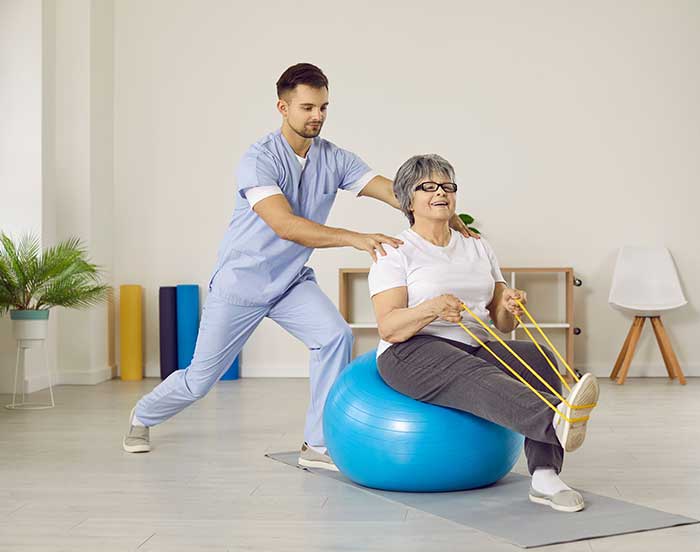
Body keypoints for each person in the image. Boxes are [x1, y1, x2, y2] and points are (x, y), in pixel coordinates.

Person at [122, 64, 475, 470]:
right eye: (307, 107)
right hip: (242, 285)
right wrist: (355, 238)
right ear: (282, 107)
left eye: (323, 107)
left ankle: (317, 445)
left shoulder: (334, 158)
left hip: (290, 283)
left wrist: (438, 208)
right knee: (200, 379)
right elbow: (285, 226)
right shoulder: (259, 160)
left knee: (334, 336)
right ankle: (142, 416)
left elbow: (393, 192)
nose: (317, 116)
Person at [369, 154, 599, 511]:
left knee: (538, 357)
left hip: (472, 343)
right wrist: (431, 308)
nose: (440, 192)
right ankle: (555, 419)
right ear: (407, 200)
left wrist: (508, 306)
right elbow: (389, 326)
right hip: (410, 351)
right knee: (475, 373)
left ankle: (545, 477)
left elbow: (501, 324)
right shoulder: (395, 252)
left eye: (447, 185)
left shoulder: (476, 245)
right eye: (427, 186)